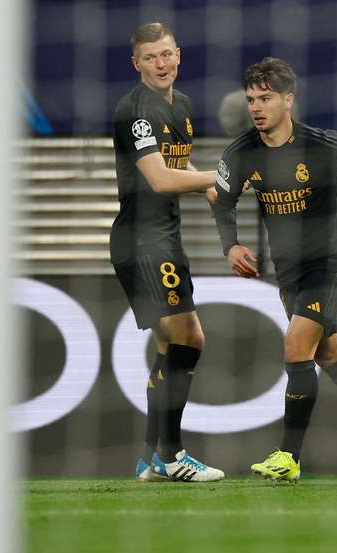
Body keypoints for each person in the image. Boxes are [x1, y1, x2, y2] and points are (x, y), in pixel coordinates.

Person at [214, 57, 337, 481]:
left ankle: (288, 457)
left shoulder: (322, 144)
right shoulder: (240, 152)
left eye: (266, 98)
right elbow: (222, 200)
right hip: (289, 270)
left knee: (296, 346)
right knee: (326, 352)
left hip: (331, 261)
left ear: (288, 99)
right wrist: (231, 245)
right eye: (251, 100)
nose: (257, 107)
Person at [111, 22, 223, 482]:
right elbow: (159, 178)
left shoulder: (183, 106)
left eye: (167, 54)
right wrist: (215, 178)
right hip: (143, 242)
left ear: (179, 54)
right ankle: (173, 457)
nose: (162, 64)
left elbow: (177, 166)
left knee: (166, 346)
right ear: (135, 63)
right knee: (189, 338)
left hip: (164, 238)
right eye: (151, 57)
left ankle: (151, 458)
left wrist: (206, 186)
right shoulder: (135, 111)